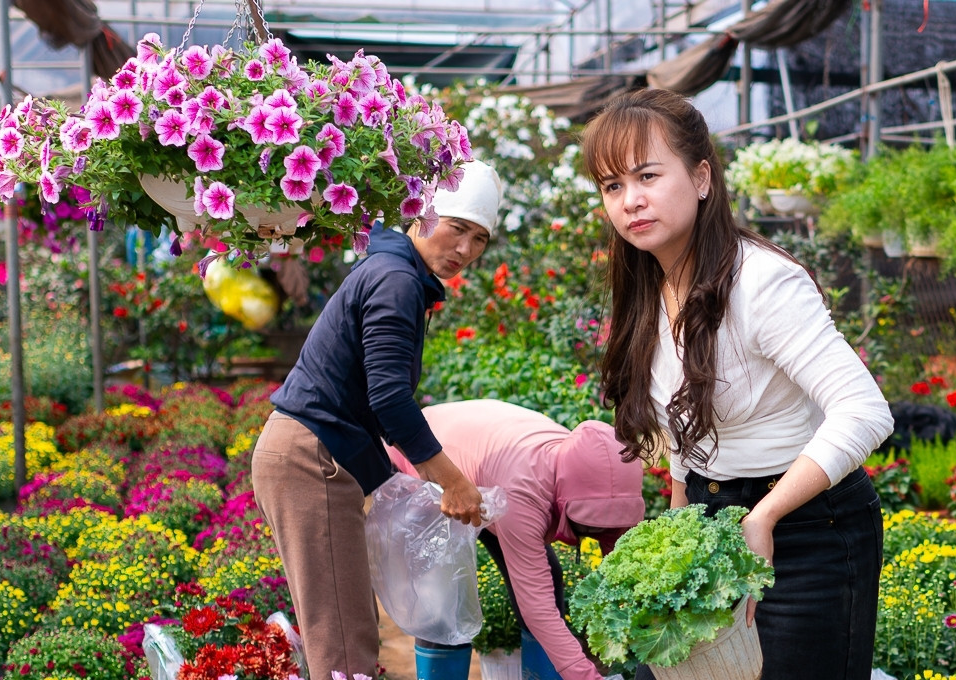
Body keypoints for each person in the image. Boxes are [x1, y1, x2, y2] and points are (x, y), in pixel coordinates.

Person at [580, 88, 895, 680]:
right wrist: (676, 526)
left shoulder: (763, 283)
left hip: (807, 530)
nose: (630, 201)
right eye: (612, 186)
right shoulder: (650, 286)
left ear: (701, 178)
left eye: (647, 175)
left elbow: (864, 410)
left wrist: (764, 517)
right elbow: (683, 425)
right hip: (709, 519)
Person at [251, 160, 504, 678]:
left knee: (344, 627)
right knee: (343, 642)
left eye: (479, 238)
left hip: (308, 453)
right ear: (423, 215)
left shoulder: (397, 271)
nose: (465, 250)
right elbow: (389, 398)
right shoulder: (396, 280)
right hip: (311, 458)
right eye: (457, 228)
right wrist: (452, 481)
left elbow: (374, 395)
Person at [384, 399, 645, 680]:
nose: (597, 534)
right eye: (591, 524)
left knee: (551, 576)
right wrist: (586, 677)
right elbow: (537, 606)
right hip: (426, 460)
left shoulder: (604, 479)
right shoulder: (525, 491)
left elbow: (622, 566)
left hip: (487, 472)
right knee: (446, 603)